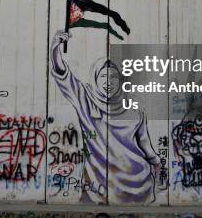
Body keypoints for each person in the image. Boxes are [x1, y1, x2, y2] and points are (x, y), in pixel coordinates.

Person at [50, 30, 161, 204]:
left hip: (139, 183)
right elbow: (63, 75)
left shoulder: (134, 106)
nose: (108, 81)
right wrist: (55, 48)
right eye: (103, 76)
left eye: (113, 77)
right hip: (99, 187)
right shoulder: (85, 99)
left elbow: (144, 142)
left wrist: (157, 165)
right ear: (95, 78)